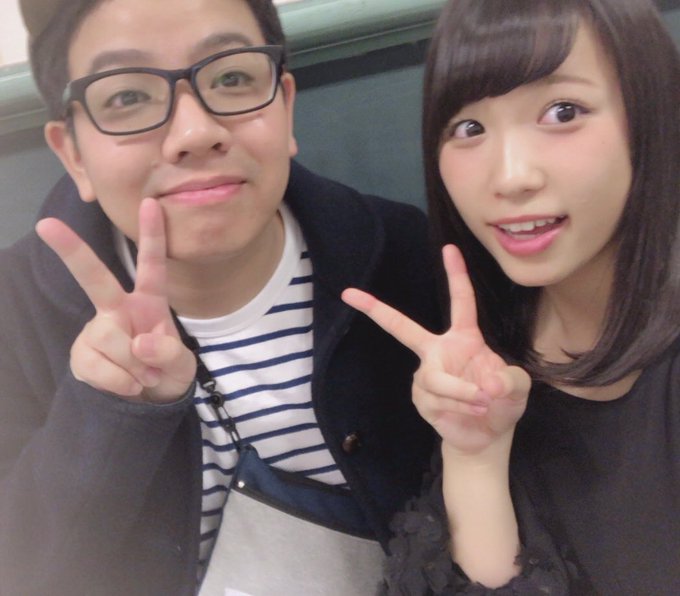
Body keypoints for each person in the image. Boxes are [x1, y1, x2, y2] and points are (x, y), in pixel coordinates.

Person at [0, 0, 441, 594]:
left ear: (285, 105)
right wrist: (107, 415)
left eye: (232, 77)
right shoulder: (14, 317)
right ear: (73, 153)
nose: (196, 133)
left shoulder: (410, 258)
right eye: (127, 96)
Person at [343, 0, 680, 593]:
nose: (510, 176)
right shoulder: (485, 346)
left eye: (563, 111)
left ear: (652, 117)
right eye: (469, 128)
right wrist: (475, 456)